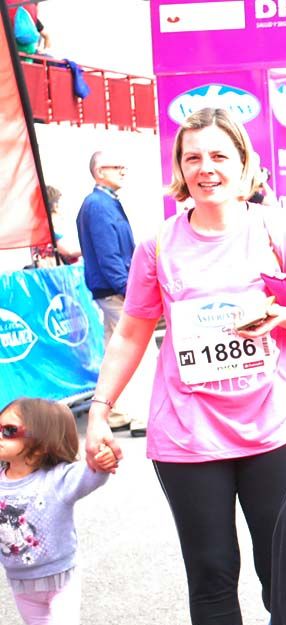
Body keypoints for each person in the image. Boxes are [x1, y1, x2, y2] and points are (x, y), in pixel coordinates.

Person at [83, 107, 286, 625]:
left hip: (275, 428)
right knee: (211, 572)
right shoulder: (158, 244)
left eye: (219, 155)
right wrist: (100, 410)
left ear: (244, 162)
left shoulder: (278, 230)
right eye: (193, 157)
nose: (206, 168)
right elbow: (131, 332)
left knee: (284, 570)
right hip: (188, 436)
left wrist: (281, 315)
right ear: (180, 168)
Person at [1, 398, 116, 625]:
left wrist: (102, 459)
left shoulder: (58, 479)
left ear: (42, 442)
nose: (0, 435)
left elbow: (92, 474)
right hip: (21, 581)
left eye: (9, 430)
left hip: (61, 578)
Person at [75, 150, 146, 435]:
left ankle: (116, 412)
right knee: (137, 351)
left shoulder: (103, 203)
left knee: (115, 352)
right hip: (116, 291)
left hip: (112, 290)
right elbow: (109, 256)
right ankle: (140, 416)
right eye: (117, 167)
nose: (123, 171)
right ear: (100, 171)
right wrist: (130, 291)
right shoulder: (98, 205)